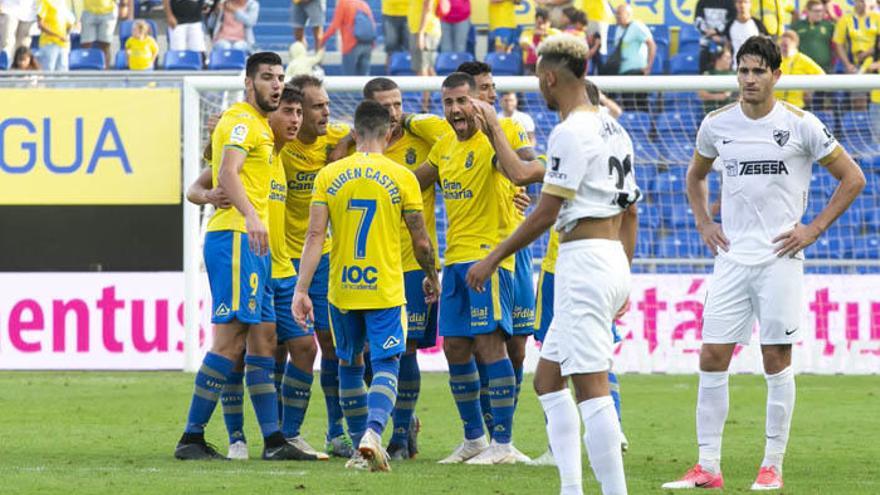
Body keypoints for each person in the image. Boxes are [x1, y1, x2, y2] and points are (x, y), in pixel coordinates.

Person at [662, 35, 865, 490]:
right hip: (733, 259)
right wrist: (703, 222)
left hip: (780, 258)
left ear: (776, 75)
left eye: (758, 71)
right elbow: (694, 176)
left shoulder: (802, 125)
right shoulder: (716, 125)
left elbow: (853, 178)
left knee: (775, 358)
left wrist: (812, 230)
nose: (749, 79)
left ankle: (772, 464)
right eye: (743, 70)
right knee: (712, 355)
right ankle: (707, 467)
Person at [466, 33, 640, 495]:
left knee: (592, 386)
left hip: (584, 262)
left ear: (549, 77)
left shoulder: (570, 131)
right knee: (548, 379)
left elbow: (544, 212)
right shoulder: (612, 128)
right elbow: (632, 210)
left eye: (538, 82)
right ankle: (570, 487)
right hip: (608, 257)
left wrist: (492, 257)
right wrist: (623, 272)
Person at [174, 52, 314, 462]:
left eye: (280, 77)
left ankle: (272, 440)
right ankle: (192, 437)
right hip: (236, 238)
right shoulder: (240, 121)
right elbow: (229, 172)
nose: (275, 84)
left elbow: (213, 181)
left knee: (262, 341)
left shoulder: (262, 131)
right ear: (249, 81)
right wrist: (252, 215)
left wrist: (211, 195)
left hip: (255, 249)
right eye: (268, 78)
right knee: (232, 339)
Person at [292, 100, 440, 471]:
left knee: (349, 364)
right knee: (387, 361)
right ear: (389, 134)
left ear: (354, 133)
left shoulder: (329, 175)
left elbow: (314, 235)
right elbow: (421, 240)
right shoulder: (402, 176)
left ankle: (360, 448)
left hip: (341, 288)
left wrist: (301, 289)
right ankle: (374, 432)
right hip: (386, 288)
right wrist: (432, 274)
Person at [409, 72, 544, 465]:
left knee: (491, 345)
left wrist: (496, 131)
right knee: (454, 347)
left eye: (462, 102)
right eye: (448, 103)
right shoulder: (445, 146)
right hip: (454, 259)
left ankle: (502, 443)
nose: (454, 110)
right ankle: (474, 439)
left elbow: (529, 172)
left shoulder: (498, 137)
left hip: (491, 257)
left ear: (479, 103)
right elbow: (414, 182)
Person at [359, 77, 444, 460]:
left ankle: (399, 433)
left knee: (404, 349)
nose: (394, 112)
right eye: (386, 106)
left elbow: (453, 139)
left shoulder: (422, 142)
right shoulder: (359, 147)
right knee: (366, 353)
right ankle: (396, 420)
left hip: (411, 263)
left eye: (399, 104)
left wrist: (414, 120)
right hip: (369, 264)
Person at [281, 74, 357, 459]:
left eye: (326, 104)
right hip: (280, 255)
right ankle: (277, 432)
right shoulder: (281, 142)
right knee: (282, 347)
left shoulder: (338, 135)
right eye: (317, 106)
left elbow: (374, 129)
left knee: (332, 344)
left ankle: (335, 431)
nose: (326, 112)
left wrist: (343, 145)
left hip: (323, 256)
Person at [613, 4, 656, 111]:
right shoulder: (618, 30)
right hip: (623, 73)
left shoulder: (637, 26)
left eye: (619, 13)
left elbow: (651, 44)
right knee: (627, 106)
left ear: (628, 15)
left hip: (637, 72)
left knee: (640, 106)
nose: (616, 16)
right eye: (616, 13)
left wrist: (648, 66)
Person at [319, 0, 374, 76]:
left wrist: (322, 40)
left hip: (351, 45)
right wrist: (373, 43)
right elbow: (372, 24)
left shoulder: (343, 3)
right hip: (367, 44)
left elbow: (335, 25)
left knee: (349, 79)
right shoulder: (363, 4)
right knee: (364, 80)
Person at [776, 30, 824, 109]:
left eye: (786, 45)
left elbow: (821, 75)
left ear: (795, 44)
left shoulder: (802, 59)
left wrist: (809, 90)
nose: (784, 48)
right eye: (782, 45)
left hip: (796, 107)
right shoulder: (774, 59)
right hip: (776, 107)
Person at [832, 0, 880, 74]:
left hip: (875, 64)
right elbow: (839, 44)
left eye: (866, 1)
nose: (864, 4)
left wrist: (877, 63)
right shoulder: (845, 19)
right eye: (860, 1)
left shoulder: (877, 18)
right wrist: (847, 65)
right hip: (855, 65)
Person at [80, 0, 132, 68]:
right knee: (86, 44)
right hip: (88, 11)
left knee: (105, 45)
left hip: (108, 13)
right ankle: (85, 71)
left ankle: (105, 73)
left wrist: (124, 6)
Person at [408, 0, 440, 111]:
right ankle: (445, 96)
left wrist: (421, 33)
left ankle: (425, 106)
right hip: (419, 30)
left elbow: (427, 7)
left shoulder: (422, 31)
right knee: (428, 69)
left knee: (423, 70)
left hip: (425, 32)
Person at [791, 0, 835, 73]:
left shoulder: (829, 26)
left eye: (821, 11)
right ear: (807, 11)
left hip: (825, 68)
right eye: (816, 11)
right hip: (803, 68)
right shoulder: (797, 26)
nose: (819, 14)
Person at [694, 0, 736, 72]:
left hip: (725, 40)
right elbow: (698, 21)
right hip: (706, 39)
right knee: (703, 57)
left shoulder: (730, 2)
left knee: (727, 57)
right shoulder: (701, 2)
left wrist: (716, 31)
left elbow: (731, 21)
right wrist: (710, 34)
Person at [724, 0, 768, 68]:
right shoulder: (729, 25)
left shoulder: (758, 24)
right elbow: (727, 46)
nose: (742, 5)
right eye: (739, 2)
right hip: (736, 68)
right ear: (735, 4)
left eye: (745, 2)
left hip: (756, 68)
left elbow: (766, 45)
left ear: (750, 4)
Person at [519, 7, 560, 74]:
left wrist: (545, 35)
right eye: (538, 22)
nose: (540, 25)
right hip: (531, 66)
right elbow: (524, 45)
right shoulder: (527, 32)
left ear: (549, 22)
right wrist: (536, 36)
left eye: (543, 22)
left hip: (549, 66)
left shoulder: (555, 33)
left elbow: (559, 47)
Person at [698, 44, 737, 114]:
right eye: (727, 58)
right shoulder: (708, 74)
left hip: (731, 113)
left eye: (730, 58)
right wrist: (720, 96)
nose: (730, 61)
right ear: (718, 59)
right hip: (711, 113)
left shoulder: (735, 74)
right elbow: (701, 94)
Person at [36, 0, 73, 71]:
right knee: (48, 73)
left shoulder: (63, 4)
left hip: (63, 44)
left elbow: (68, 24)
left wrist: (69, 30)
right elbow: (40, 24)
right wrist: (57, 35)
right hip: (49, 43)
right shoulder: (45, 2)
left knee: (63, 74)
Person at [860, 36, 880, 141]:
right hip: (876, 102)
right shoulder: (870, 60)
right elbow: (859, 77)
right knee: (877, 135)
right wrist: (869, 69)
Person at [381, 0, 407, 71]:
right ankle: (388, 79)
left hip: (409, 14)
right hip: (389, 13)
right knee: (390, 50)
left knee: (409, 51)